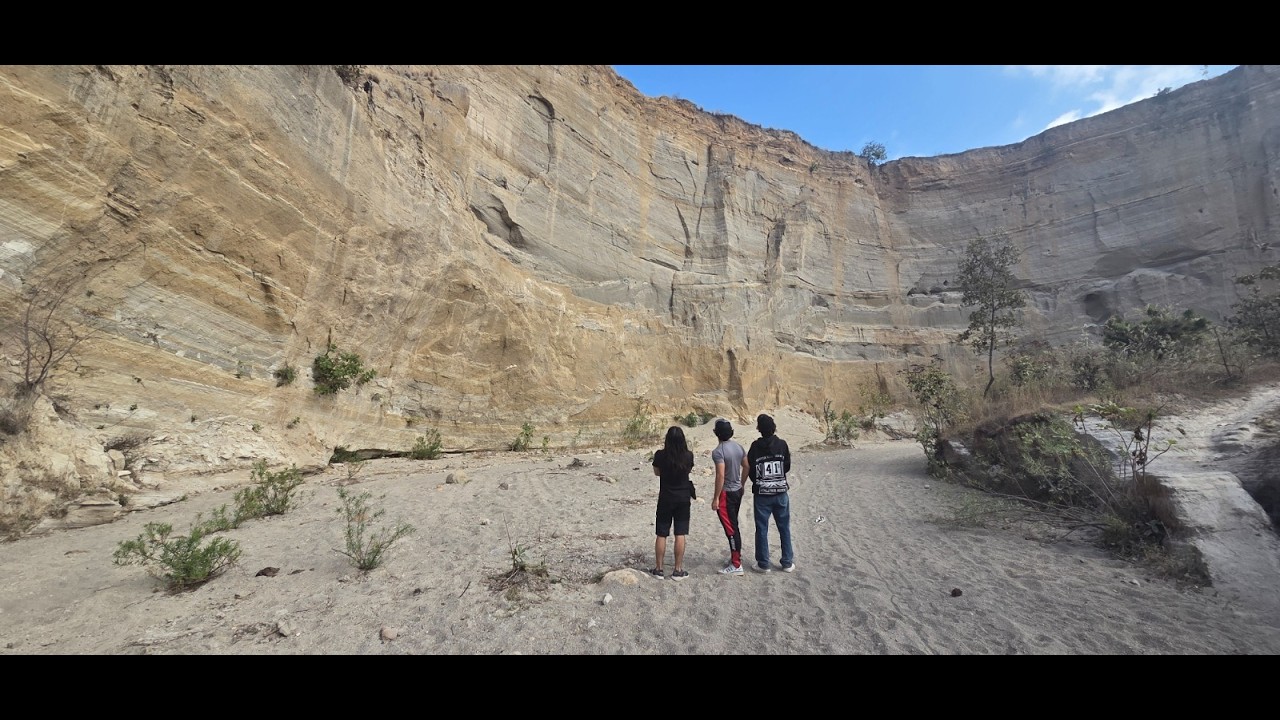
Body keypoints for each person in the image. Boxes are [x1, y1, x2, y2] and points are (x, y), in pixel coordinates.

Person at [746, 413, 795, 573]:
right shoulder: (782, 444)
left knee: (762, 528)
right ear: (773, 427)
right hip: (781, 492)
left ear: (759, 429)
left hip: (762, 494)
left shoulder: (754, 447)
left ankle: (763, 563)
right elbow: (786, 466)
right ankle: (787, 562)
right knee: (784, 528)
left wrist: (759, 481)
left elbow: (750, 468)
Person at [650, 425, 695, 581]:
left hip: (666, 497)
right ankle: (677, 569)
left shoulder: (660, 455)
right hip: (683, 497)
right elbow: (688, 470)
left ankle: (659, 568)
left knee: (661, 533)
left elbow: (657, 472)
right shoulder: (688, 456)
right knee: (680, 533)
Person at [711, 418, 750, 575]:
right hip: (737, 491)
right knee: (734, 526)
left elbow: (720, 475)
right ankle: (735, 557)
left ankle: (736, 564)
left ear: (716, 433)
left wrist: (716, 498)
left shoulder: (718, 451)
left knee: (731, 529)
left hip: (726, 493)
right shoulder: (738, 447)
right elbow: (746, 466)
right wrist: (742, 484)